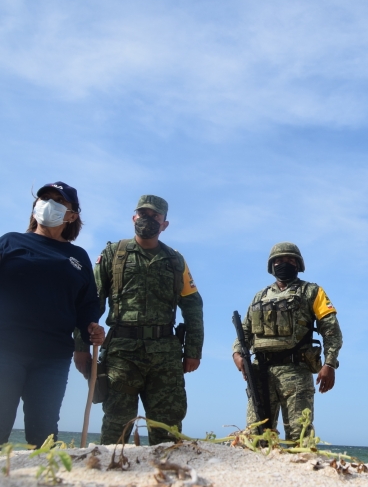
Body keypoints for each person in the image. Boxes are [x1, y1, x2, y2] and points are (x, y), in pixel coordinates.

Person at [84, 195, 204, 445]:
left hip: (165, 354)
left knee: (168, 426)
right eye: (143, 214)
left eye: (155, 216)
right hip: (121, 354)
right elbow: (91, 301)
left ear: (164, 224)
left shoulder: (175, 260)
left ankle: (167, 480)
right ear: (133, 217)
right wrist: (80, 347)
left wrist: (193, 351)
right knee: (117, 423)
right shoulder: (113, 253)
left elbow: (193, 306)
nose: (147, 220)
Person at [0, 182, 105, 447]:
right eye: (45, 197)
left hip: (52, 357)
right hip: (6, 350)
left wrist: (92, 326)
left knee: (44, 433)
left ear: (72, 215)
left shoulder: (77, 257)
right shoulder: (10, 242)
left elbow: (87, 304)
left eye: (59, 201)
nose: (48, 203)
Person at [232, 242, 342, 441]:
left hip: (296, 370)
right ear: (271, 265)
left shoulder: (312, 292)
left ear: (298, 264)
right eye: (279, 260)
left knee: (299, 435)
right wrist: (237, 354)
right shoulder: (260, 296)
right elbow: (245, 331)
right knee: (256, 434)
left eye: (290, 260)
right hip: (261, 370)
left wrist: (330, 364)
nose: (285, 264)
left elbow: (331, 330)